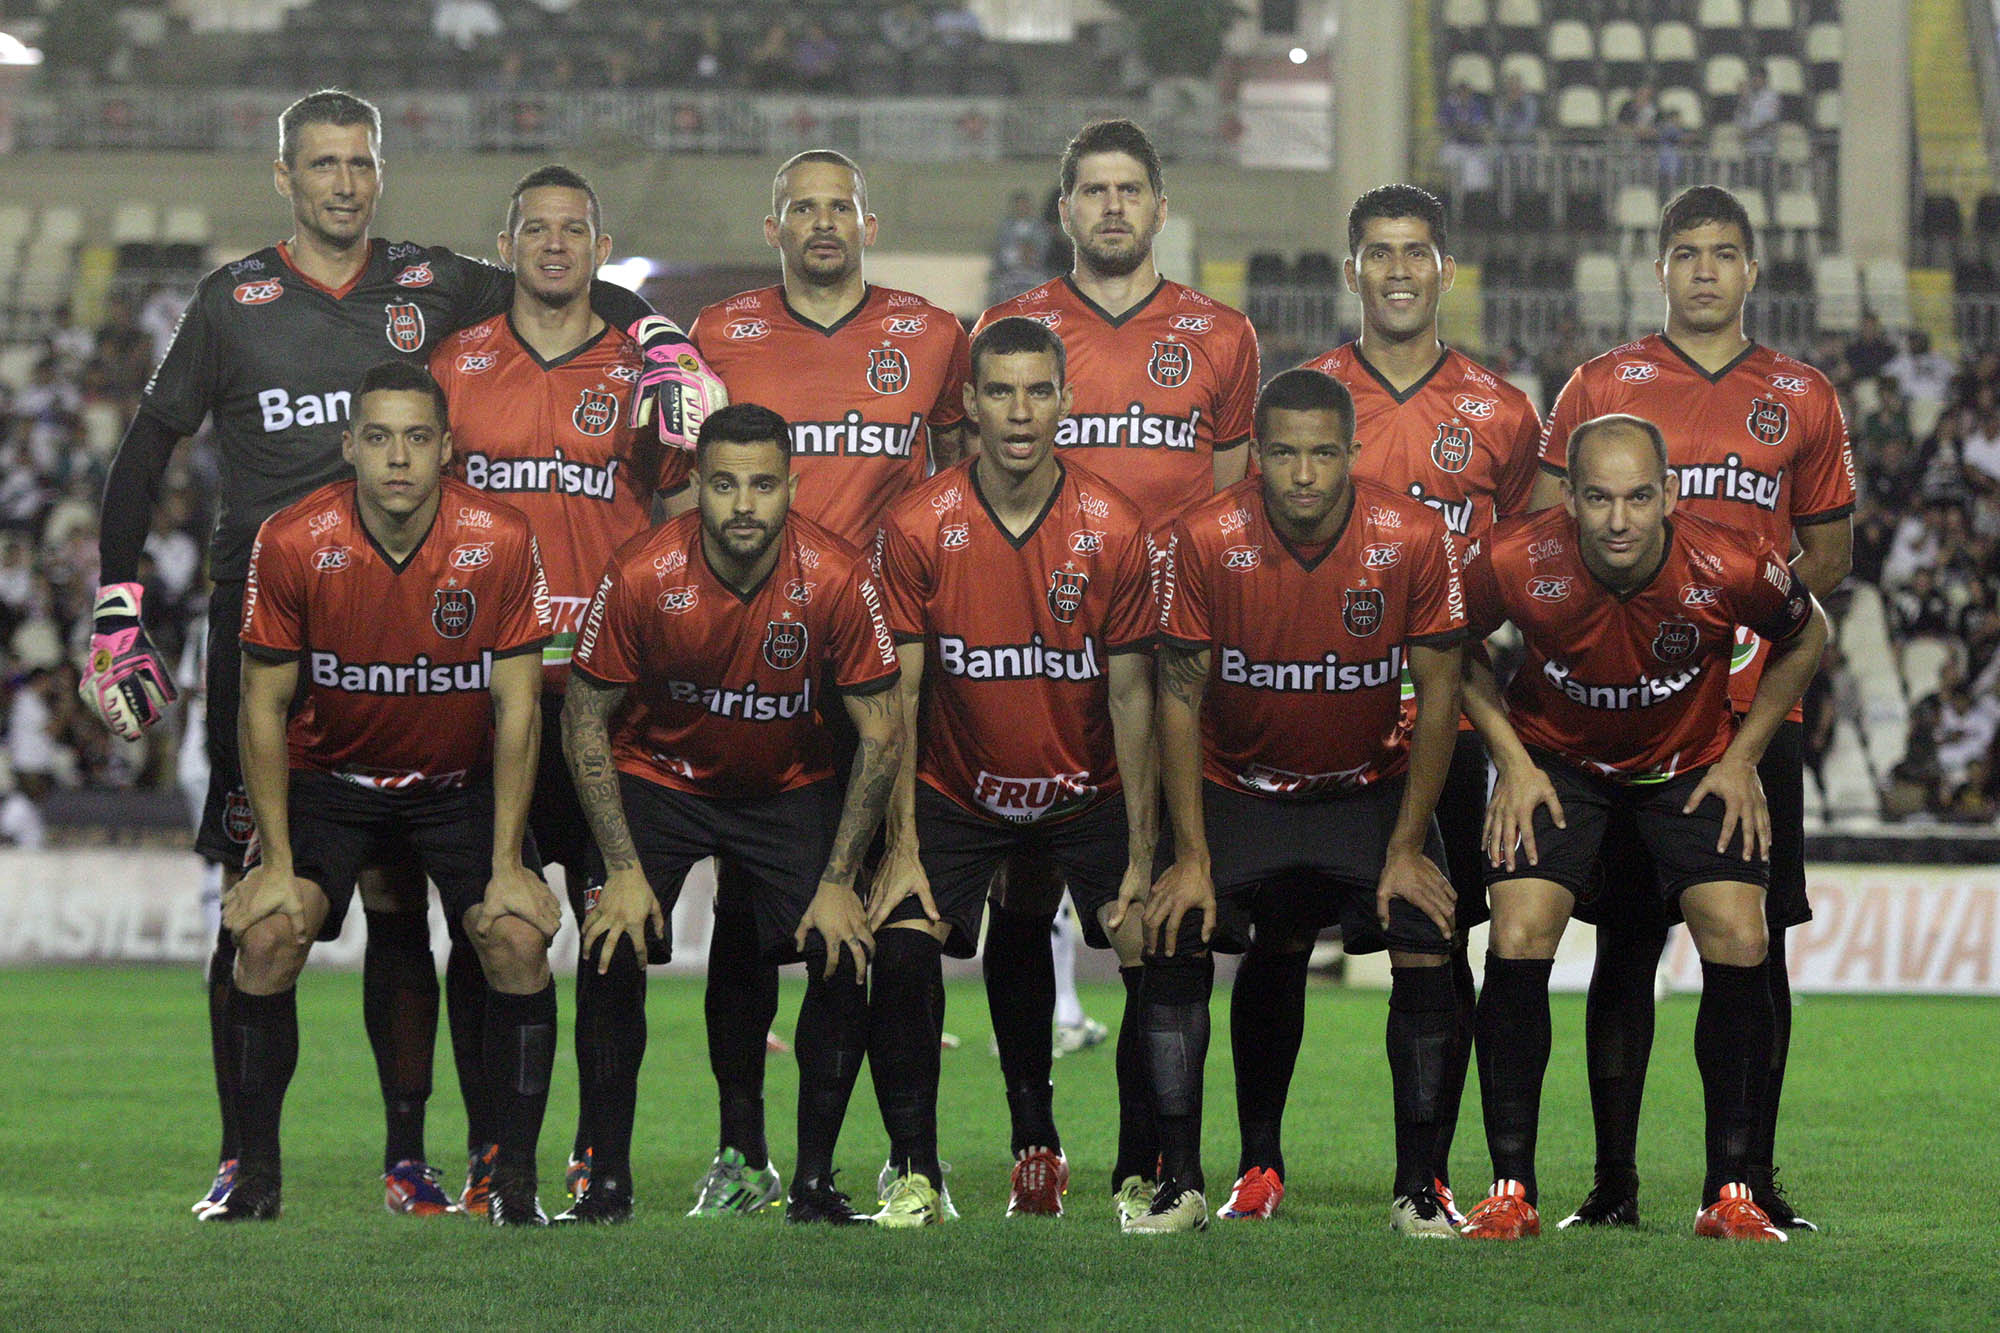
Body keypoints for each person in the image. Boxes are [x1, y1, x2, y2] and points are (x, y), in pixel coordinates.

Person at [78, 88, 720, 1217]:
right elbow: (146, 445)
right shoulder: (234, 300)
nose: (342, 182)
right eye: (321, 163)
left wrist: (660, 334)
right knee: (261, 897)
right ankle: (244, 1159)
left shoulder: (435, 283)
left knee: (414, 896)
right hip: (270, 620)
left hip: (429, 617)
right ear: (286, 177)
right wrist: (120, 602)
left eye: (359, 162)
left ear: (379, 172)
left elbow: (562, 280)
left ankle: (420, 1155)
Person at [1536, 184, 1852, 1231]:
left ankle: (1747, 1183)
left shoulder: (1799, 394)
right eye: (1686, 252)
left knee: (1753, 946)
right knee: (1622, 944)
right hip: (1627, 715)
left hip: (1751, 720)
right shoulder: (1600, 383)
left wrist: (1741, 622)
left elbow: (1831, 555)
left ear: (1752, 270)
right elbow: (1548, 537)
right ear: (1657, 266)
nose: (1704, 269)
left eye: (1723, 253)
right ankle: (1611, 1186)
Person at [973, 118, 1258, 1223]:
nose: (1108, 207)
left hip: (1168, 657)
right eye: (1088, 189)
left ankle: (1147, 1152)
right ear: (1063, 211)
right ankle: (1031, 1135)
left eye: (1127, 189)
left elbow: (1229, 500)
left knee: (1158, 895)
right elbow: (979, 486)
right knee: (1019, 883)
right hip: (1035, 655)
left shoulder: (1218, 335)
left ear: (1157, 205)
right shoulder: (1013, 328)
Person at [1456, 412, 1828, 1243]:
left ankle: (1729, 1190)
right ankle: (1511, 1188)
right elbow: (1448, 643)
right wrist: (1511, 760)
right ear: (1569, 501)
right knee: (1517, 929)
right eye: (1597, 498)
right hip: (1559, 767)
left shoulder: (1729, 559)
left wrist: (1744, 755)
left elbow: (1809, 634)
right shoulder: (1516, 556)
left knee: (1739, 930)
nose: (1617, 519)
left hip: (1688, 766)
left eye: (1635, 497)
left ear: (1668, 495)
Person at [204, 360, 559, 1223]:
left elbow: (519, 708)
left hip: (456, 784)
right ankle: (253, 1176)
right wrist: (278, 860)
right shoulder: (291, 540)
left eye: (415, 437)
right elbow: (263, 703)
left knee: (514, 936)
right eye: (377, 437)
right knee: (270, 934)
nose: (397, 457)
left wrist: (510, 860)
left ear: (447, 447)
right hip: (333, 778)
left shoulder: (503, 536)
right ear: (347, 446)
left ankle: (513, 1181)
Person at [685, 148, 968, 1217]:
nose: (819, 223)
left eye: (836, 207)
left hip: (886, 662)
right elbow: (689, 487)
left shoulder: (931, 335)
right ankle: (743, 1152)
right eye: (799, 208)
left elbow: (950, 489)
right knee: (748, 922)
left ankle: (852, 1159)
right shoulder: (720, 336)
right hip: (758, 663)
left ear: (868, 220)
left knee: (862, 915)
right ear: (773, 227)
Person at [1264, 184, 1540, 1226]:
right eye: (1374, 252)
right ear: (1350, 271)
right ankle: (1258, 1163)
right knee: (1282, 939)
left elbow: (1524, 568)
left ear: (1443, 270)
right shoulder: (1303, 399)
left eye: (1413, 251)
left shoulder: (1502, 414)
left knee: (1431, 943)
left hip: (1447, 720)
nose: (1394, 269)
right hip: (1308, 715)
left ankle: (1417, 1183)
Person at [1137, 368, 1468, 1236]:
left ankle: (1421, 1189)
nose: (1305, 474)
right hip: (1238, 785)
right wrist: (1193, 853)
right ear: (1255, 455)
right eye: (1284, 453)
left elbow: (1440, 694)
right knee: (1176, 924)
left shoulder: (1416, 536)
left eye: (1324, 453)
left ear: (1353, 453)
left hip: (1367, 784)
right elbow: (1178, 694)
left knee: (1430, 927)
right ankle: (1184, 1181)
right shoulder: (1203, 538)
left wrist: (1405, 847)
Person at [559, 403, 904, 1227]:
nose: (742, 504)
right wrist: (622, 870)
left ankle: (814, 1186)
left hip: (788, 782)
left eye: (760, 484)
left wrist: (838, 880)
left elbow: (883, 734)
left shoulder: (838, 575)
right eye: (722, 485)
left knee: (842, 948)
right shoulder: (642, 571)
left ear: (791, 486)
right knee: (610, 943)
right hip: (662, 778)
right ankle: (605, 1183)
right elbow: (582, 718)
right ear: (698, 488)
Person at [430, 164, 689, 1221]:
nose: (552, 245)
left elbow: (680, 515)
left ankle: (603, 1158)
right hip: (485, 699)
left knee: (615, 931)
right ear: (507, 242)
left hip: (607, 696)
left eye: (572, 230)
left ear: (598, 244)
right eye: (534, 229)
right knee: (491, 928)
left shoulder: (648, 368)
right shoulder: (455, 365)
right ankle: (496, 1149)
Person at [870, 316, 1159, 1227]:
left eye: (1039, 390)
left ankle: (1142, 1171)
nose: (1021, 411)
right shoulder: (919, 524)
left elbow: (1132, 701)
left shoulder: (1113, 525)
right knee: (903, 939)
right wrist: (902, 847)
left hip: (1086, 790)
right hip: (960, 787)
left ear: (1068, 401)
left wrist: (1147, 855)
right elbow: (901, 698)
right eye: (1001, 391)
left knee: (1155, 938)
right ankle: (920, 1168)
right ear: (971, 404)